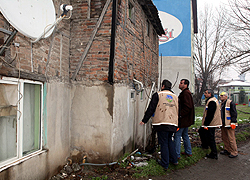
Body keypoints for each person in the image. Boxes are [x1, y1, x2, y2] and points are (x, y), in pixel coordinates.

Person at [139, 79, 178, 170]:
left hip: (162, 122)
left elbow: (151, 108)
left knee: (163, 142)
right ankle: (174, 160)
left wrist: (144, 120)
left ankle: (165, 163)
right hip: (173, 123)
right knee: (169, 140)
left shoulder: (158, 95)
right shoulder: (175, 97)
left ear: (163, 86)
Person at [174, 79, 195, 159]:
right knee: (185, 135)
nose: (179, 84)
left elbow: (187, 107)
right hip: (186, 120)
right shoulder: (186, 93)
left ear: (185, 85)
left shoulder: (185, 94)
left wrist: (180, 115)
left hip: (183, 120)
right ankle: (188, 152)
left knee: (177, 136)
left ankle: (176, 155)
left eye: (181, 83)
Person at [199, 89, 222, 159]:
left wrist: (206, 124)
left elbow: (210, 114)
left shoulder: (211, 101)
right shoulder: (213, 100)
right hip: (211, 123)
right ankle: (205, 145)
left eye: (206, 93)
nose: (204, 94)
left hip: (211, 123)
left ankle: (214, 153)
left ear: (210, 94)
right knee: (201, 131)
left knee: (210, 137)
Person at [219, 92, 238, 158]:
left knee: (231, 138)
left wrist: (233, 122)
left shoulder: (231, 103)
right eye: (220, 95)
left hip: (229, 123)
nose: (220, 96)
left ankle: (234, 152)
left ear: (226, 96)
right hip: (223, 124)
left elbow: (234, 113)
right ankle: (227, 149)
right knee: (224, 137)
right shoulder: (221, 104)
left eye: (222, 95)